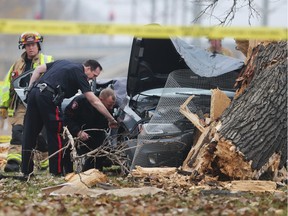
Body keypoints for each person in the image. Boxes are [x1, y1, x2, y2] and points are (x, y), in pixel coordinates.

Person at [22, 59, 118, 176]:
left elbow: (38, 70)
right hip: (48, 96)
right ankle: (56, 172)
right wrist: (111, 119)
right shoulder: (80, 73)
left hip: (34, 92)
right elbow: (94, 100)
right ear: (87, 69)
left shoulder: (63, 62)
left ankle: (26, 171)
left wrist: (30, 89)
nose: (92, 79)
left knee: (29, 133)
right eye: (94, 75)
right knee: (56, 132)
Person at [0, 32, 53, 172]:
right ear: (23, 47)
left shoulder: (47, 60)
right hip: (21, 104)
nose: (30, 48)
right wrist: (4, 105)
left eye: (33, 45)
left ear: (38, 45)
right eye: (27, 45)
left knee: (40, 135)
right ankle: (14, 162)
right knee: (18, 132)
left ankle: (44, 162)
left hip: (40, 103)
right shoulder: (17, 64)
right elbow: (8, 85)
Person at [63, 87, 116, 173]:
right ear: (100, 99)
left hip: (95, 134)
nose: (111, 108)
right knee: (67, 148)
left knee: (102, 150)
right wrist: (78, 131)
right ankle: (67, 172)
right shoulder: (82, 101)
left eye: (112, 105)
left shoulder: (109, 107)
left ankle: (93, 171)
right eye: (109, 105)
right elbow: (67, 117)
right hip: (77, 131)